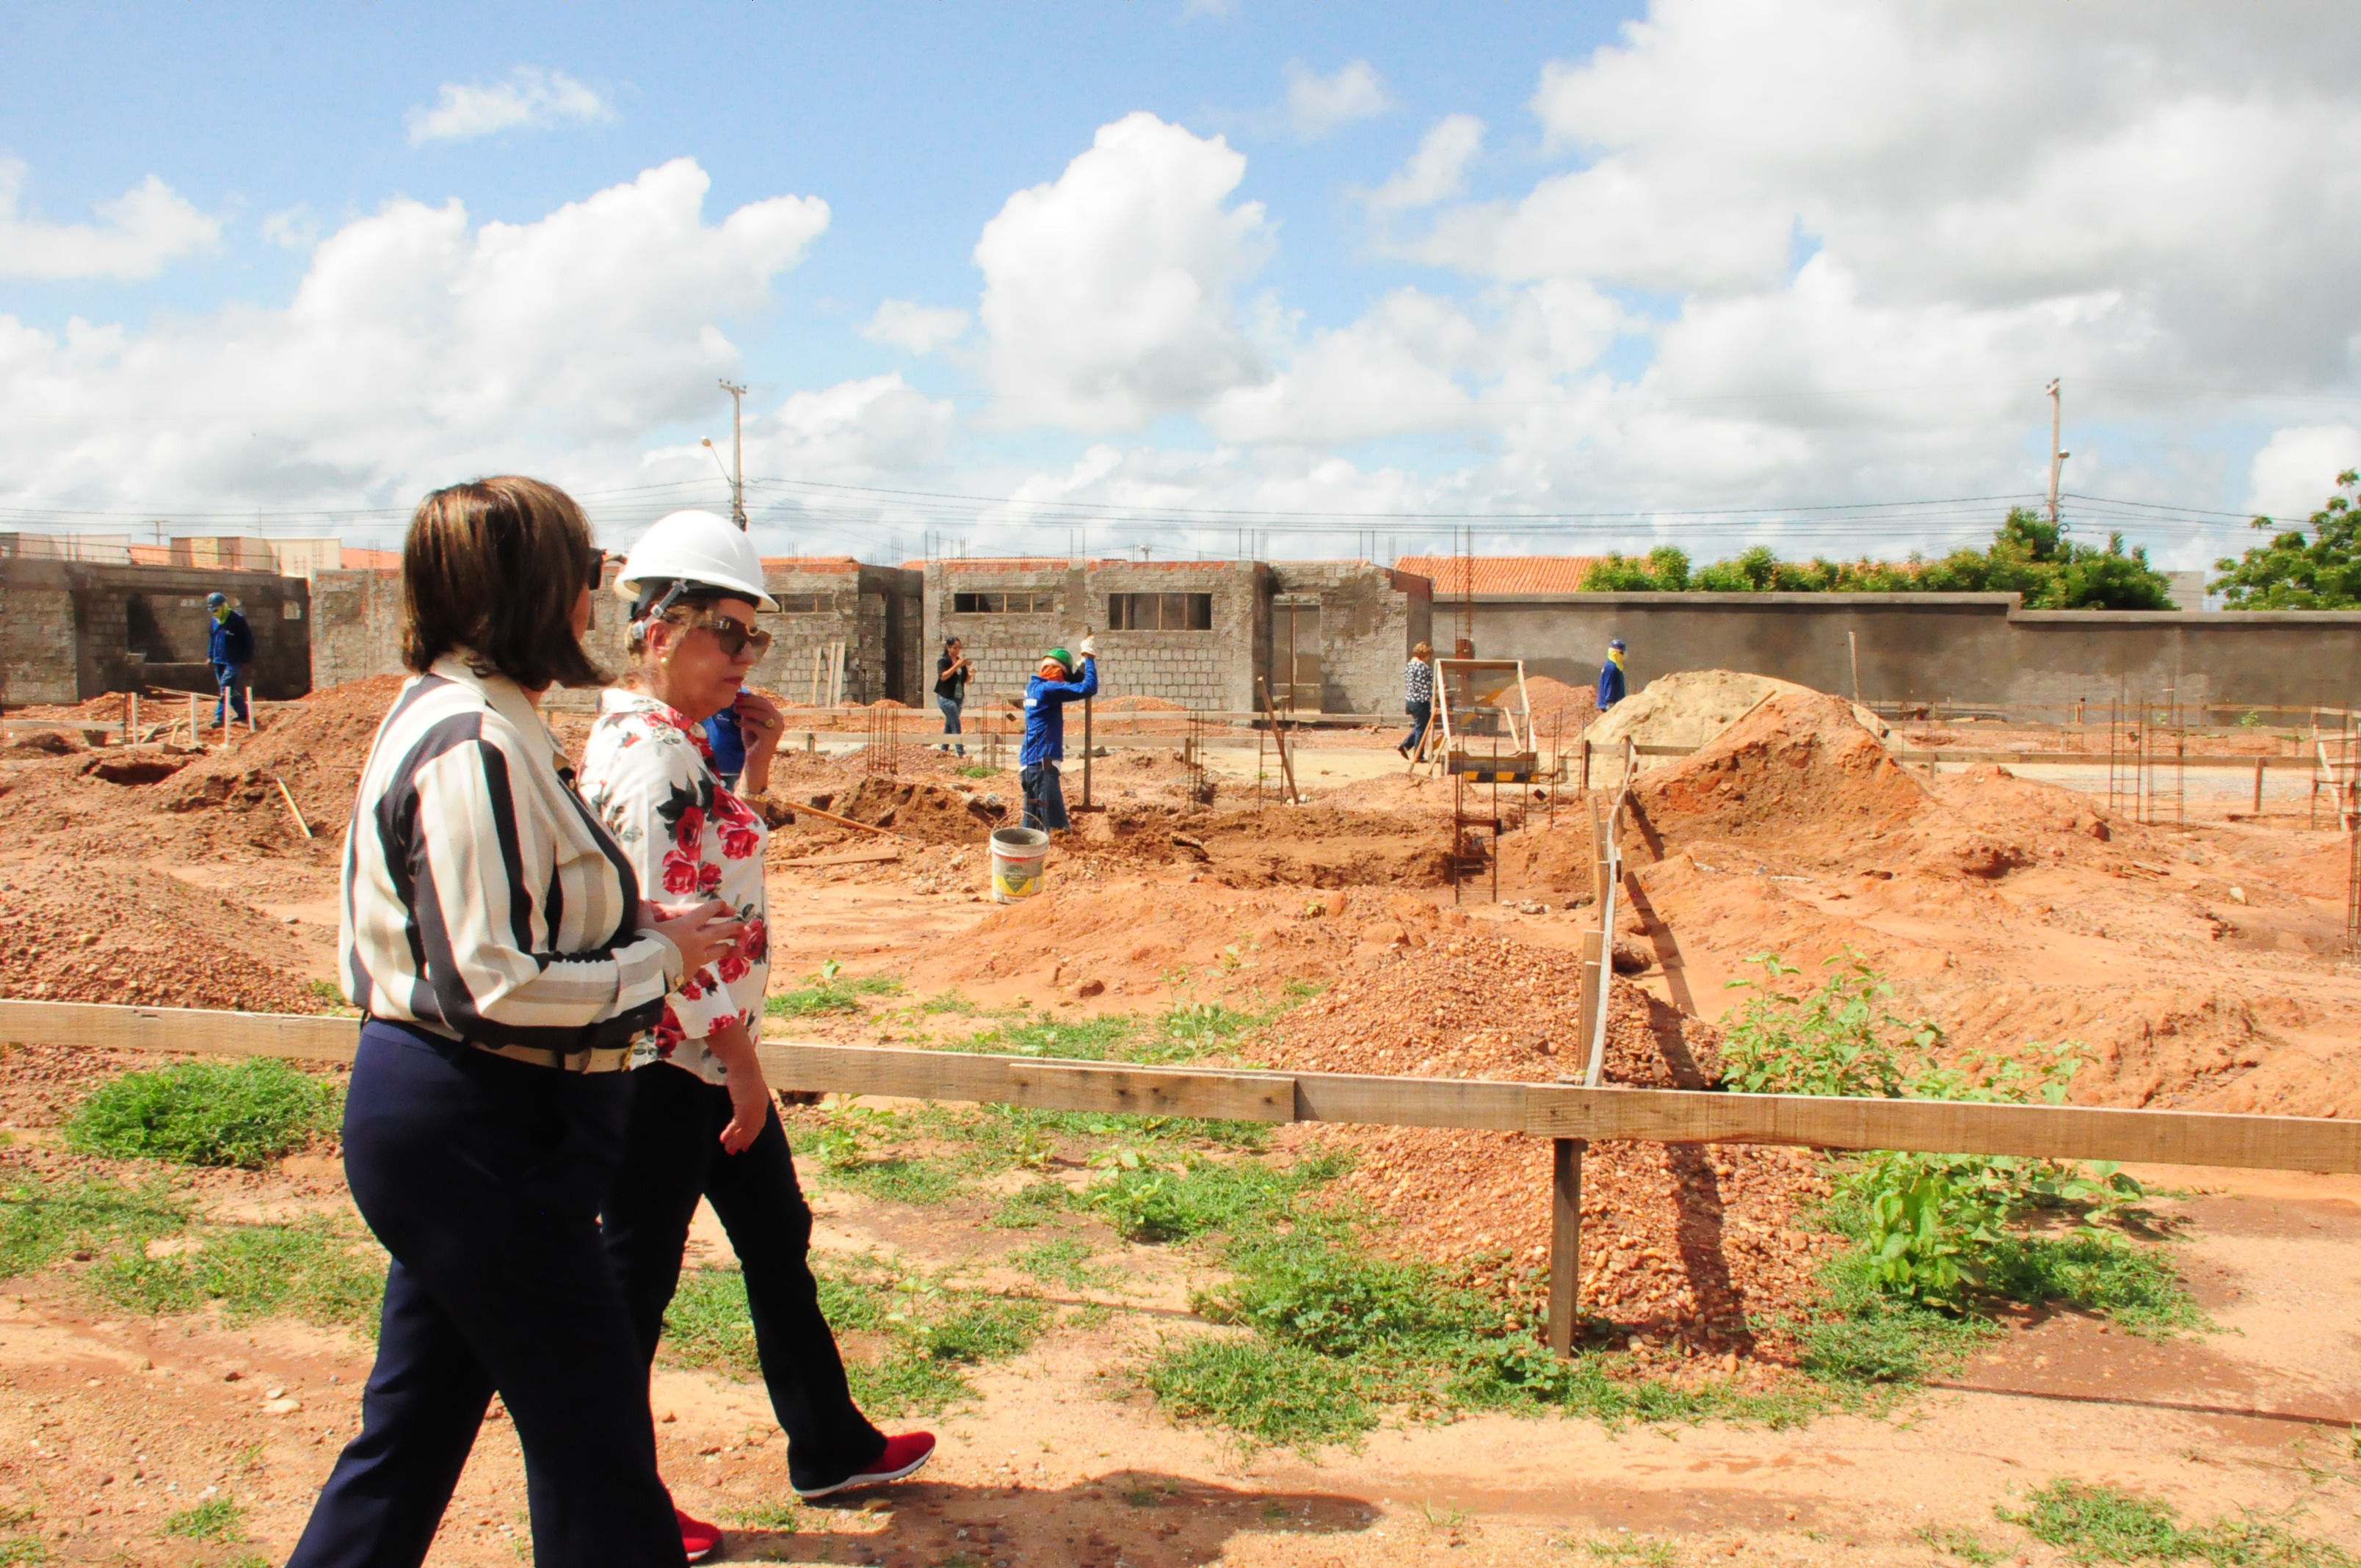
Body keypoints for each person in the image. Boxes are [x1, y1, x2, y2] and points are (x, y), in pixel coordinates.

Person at [291, 477, 745, 1568]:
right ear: (532, 589)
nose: (596, 603)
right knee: (596, 1446)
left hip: (477, 1123)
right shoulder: (472, 741)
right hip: (481, 1127)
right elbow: (490, 979)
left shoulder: (486, 718)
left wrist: (634, 917)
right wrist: (657, 959)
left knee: (413, 1431)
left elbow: (515, 906)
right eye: (585, 575)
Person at [580, 511, 934, 1560]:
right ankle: (613, 1506)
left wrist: (757, 769)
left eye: (753, 640)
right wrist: (739, 1067)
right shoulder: (652, 763)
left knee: (776, 1238)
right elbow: (660, 935)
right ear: (656, 632)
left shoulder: (678, 752)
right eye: (726, 635)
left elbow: (706, 876)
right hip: (670, 1066)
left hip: (706, 1056)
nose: (744, 658)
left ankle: (828, 1443)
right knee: (634, 1283)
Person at [1019, 641, 1096, 832]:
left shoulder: (1033, 688)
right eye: (1062, 675)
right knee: (1057, 828)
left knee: (1032, 828)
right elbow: (1088, 688)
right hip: (1044, 765)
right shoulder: (1048, 690)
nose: (1062, 681)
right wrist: (1089, 657)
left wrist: (1079, 669)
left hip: (1030, 765)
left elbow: (1069, 684)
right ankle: (1062, 859)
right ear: (1054, 670)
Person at [206, 590, 255, 730]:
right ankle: (243, 712)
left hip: (234, 661)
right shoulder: (215, 621)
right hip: (218, 661)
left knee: (225, 688)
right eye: (212, 610)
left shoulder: (237, 620)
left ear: (223, 606)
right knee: (229, 690)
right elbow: (212, 639)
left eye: (216, 609)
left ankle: (219, 717)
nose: (215, 612)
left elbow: (248, 641)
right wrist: (210, 656)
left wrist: (246, 660)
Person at [934, 637, 972, 756]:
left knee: (950, 724)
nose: (957, 651)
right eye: (954, 648)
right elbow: (943, 676)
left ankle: (944, 749)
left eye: (959, 648)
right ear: (948, 648)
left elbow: (964, 680)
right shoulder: (943, 661)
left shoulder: (961, 662)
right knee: (956, 723)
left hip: (958, 697)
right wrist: (956, 666)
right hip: (946, 696)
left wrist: (971, 674)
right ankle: (961, 752)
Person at [1397, 640, 1435, 759]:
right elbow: (1425, 686)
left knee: (1420, 726)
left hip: (1411, 700)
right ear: (1426, 655)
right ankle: (1418, 754)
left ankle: (1406, 745)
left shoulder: (1410, 665)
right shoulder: (1422, 667)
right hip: (1420, 701)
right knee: (1422, 728)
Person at [1596, 637, 1628, 711]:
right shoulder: (1611, 667)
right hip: (1609, 705)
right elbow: (1609, 684)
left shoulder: (1614, 666)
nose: (1623, 656)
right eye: (1621, 653)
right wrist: (1610, 703)